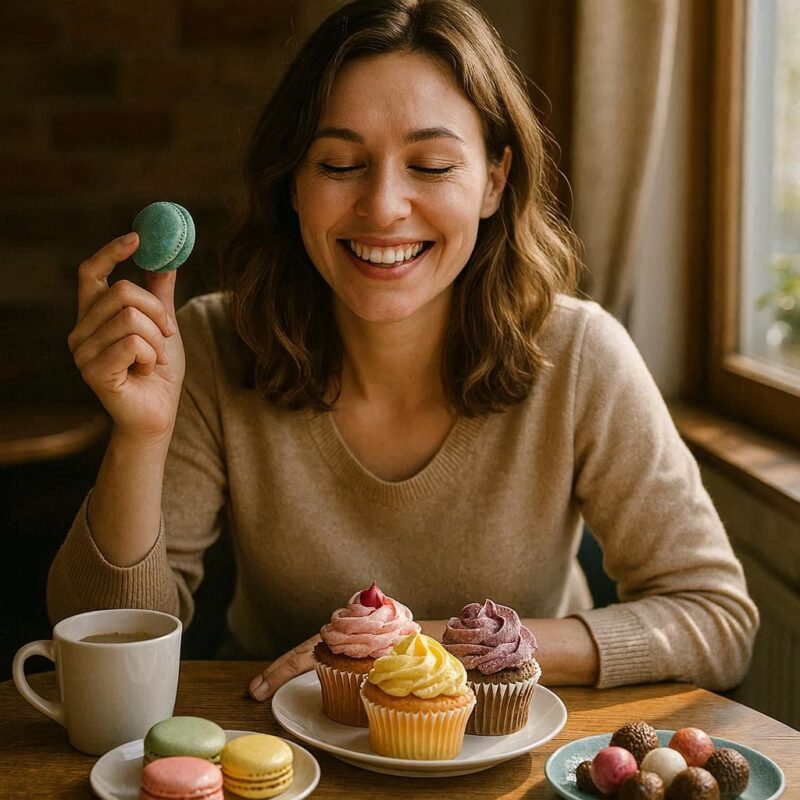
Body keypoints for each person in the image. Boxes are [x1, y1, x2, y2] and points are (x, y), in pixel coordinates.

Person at [48, 0, 758, 704]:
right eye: (338, 163)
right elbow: (96, 635)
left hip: (510, 747)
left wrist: (432, 646)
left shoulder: (582, 354)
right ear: (292, 182)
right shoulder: (206, 343)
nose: (384, 205)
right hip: (283, 746)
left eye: (432, 164)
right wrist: (140, 437)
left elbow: (717, 619)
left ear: (494, 180)